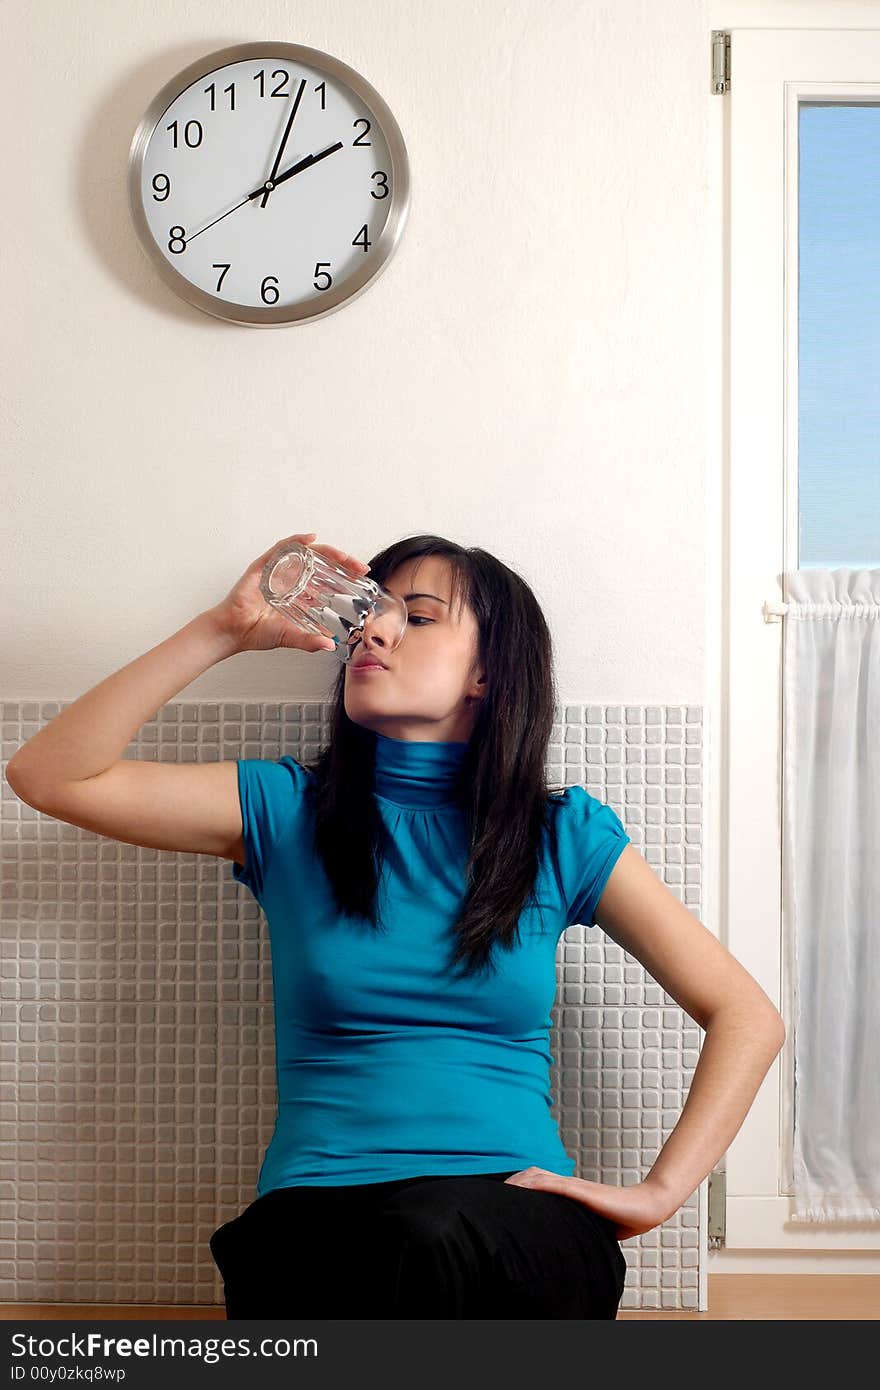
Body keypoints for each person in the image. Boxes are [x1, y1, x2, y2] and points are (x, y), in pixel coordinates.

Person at [6, 528, 785, 1319]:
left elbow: (747, 1016)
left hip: (510, 1215)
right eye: (370, 614)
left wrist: (660, 1193)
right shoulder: (285, 810)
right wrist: (222, 631)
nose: (373, 630)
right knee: (330, 1249)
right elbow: (48, 775)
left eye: (416, 617)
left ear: (487, 672)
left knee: (428, 1234)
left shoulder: (561, 836)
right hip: (320, 1216)